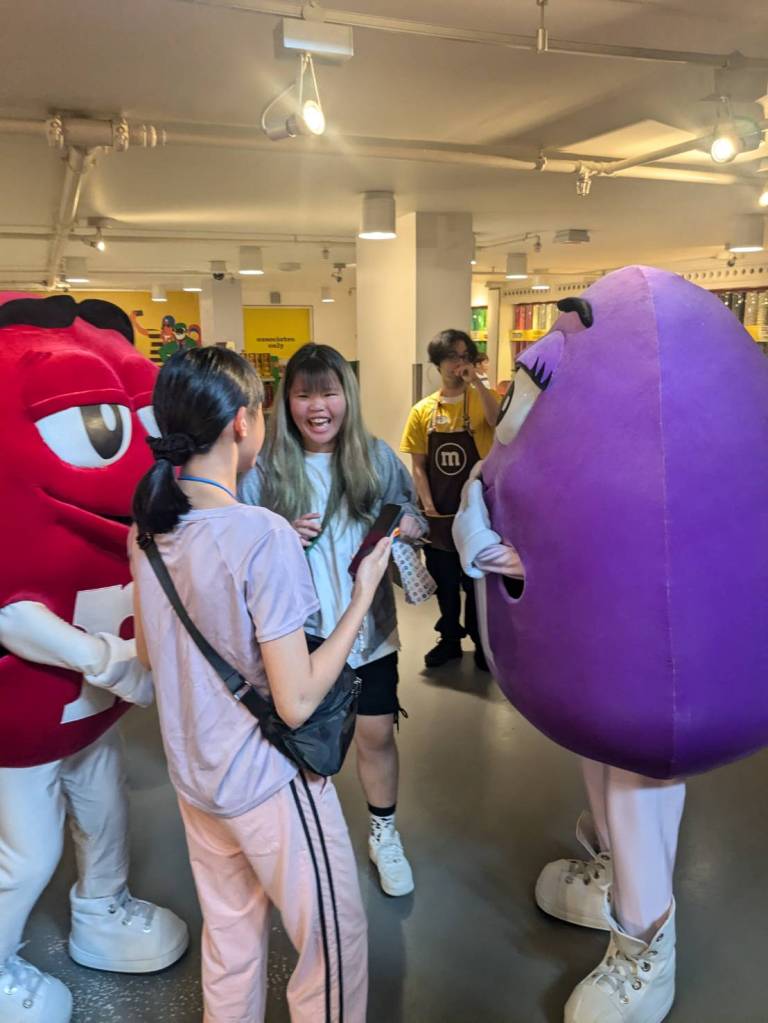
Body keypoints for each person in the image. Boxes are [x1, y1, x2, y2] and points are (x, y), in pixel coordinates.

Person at [130, 346, 392, 1023]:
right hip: (269, 783)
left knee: (231, 943)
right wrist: (362, 596)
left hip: (197, 781)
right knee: (334, 947)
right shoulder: (261, 534)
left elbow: (152, 657)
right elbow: (297, 700)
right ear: (242, 422)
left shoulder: (146, 534)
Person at [239, 343, 425, 898]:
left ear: (348, 396)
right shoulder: (265, 467)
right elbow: (237, 544)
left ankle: (384, 833)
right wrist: (276, 534)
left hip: (370, 630)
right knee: (301, 742)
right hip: (298, 634)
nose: (317, 406)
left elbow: (411, 513)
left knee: (376, 734)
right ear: (286, 402)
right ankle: (304, 839)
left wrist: (408, 527)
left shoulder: (375, 456)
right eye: (304, 394)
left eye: (328, 392)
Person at [400, 328, 499, 670]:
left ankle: (482, 642)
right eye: (453, 357)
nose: (459, 363)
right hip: (440, 511)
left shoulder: (482, 398)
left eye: (465, 356)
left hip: (478, 511)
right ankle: (450, 640)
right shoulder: (422, 411)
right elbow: (418, 465)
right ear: (438, 363)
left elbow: (497, 421)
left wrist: (478, 384)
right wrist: (427, 505)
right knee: (444, 581)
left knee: (476, 580)